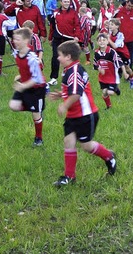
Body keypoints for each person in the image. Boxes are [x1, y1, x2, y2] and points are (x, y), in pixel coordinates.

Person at [48, 41, 117, 186]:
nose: (57, 58)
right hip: (73, 115)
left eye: (59, 55)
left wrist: (64, 105)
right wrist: (62, 94)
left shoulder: (74, 71)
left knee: (86, 146)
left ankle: (109, 156)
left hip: (85, 115)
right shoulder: (69, 69)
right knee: (69, 142)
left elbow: (77, 94)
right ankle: (69, 176)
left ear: (68, 56)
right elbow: (75, 90)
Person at [8, 28, 47, 146]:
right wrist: (20, 76)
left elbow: (37, 78)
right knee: (13, 106)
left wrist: (23, 85)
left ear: (26, 41)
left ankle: (38, 138)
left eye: (17, 39)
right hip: (24, 85)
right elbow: (25, 69)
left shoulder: (32, 58)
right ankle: (32, 107)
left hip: (37, 89)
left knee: (36, 115)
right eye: (14, 39)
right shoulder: (16, 53)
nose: (15, 41)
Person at [49, 0, 81, 86]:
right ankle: (53, 78)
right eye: (65, 1)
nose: (66, 3)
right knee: (55, 57)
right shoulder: (55, 13)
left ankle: (67, 76)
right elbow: (52, 26)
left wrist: (77, 36)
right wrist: (50, 38)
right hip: (57, 38)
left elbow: (77, 25)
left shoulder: (73, 12)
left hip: (69, 38)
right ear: (61, 2)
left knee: (68, 58)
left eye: (68, 2)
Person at [94, 33, 126, 109]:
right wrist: (99, 68)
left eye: (104, 40)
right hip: (103, 78)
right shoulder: (96, 53)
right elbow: (95, 64)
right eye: (100, 41)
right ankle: (109, 106)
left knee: (110, 92)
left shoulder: (112, 52)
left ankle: (116, 89)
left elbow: (120, 62)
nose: (102, 42)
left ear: (107, 42)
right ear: (97, 42)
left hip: (112, 77)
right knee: (104, 92)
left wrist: (124, 72)